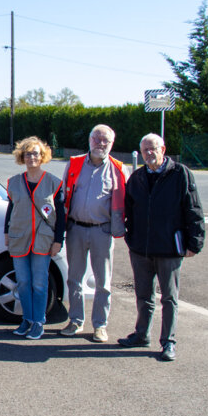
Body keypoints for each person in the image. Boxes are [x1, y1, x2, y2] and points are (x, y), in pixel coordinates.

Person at [118, 133, 205, 361]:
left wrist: (195, 242)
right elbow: (130, 210)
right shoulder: (137, 178)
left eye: (153, 148)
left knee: (169, 298)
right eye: (145, 150)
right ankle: (141, 334)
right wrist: (131, 238)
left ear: (163, 150)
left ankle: (168, 342)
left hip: (169, 249)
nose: (149, 153)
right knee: (143, 295)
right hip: (141, 249)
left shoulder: (180, 174)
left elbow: (194, 209)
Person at [59, 124, 130, 343]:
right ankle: (75, 321)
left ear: (112, 144)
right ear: (89, 140)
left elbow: (127, 202)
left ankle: (100, 325)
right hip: (76, 229)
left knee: (103, 282)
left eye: (105, 140)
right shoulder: (74, 164)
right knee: (74, 279)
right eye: (96, 139)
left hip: (102, 231)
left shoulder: (119, 169)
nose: (100, 143)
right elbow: (63, 195)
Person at [4, 136, 65, 340]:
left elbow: (61, 215)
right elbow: (11, 209)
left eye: (36, 153)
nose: (32, 157)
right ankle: (27, 320)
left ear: (42, 156)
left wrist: (58, 241)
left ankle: (38, 321)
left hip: (43, 240)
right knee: (23, 282)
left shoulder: (53, 183)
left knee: (39, 283)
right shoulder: (14, 182)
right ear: (22, 156)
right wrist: (6, 233)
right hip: (19, 237)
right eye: (28, 153)